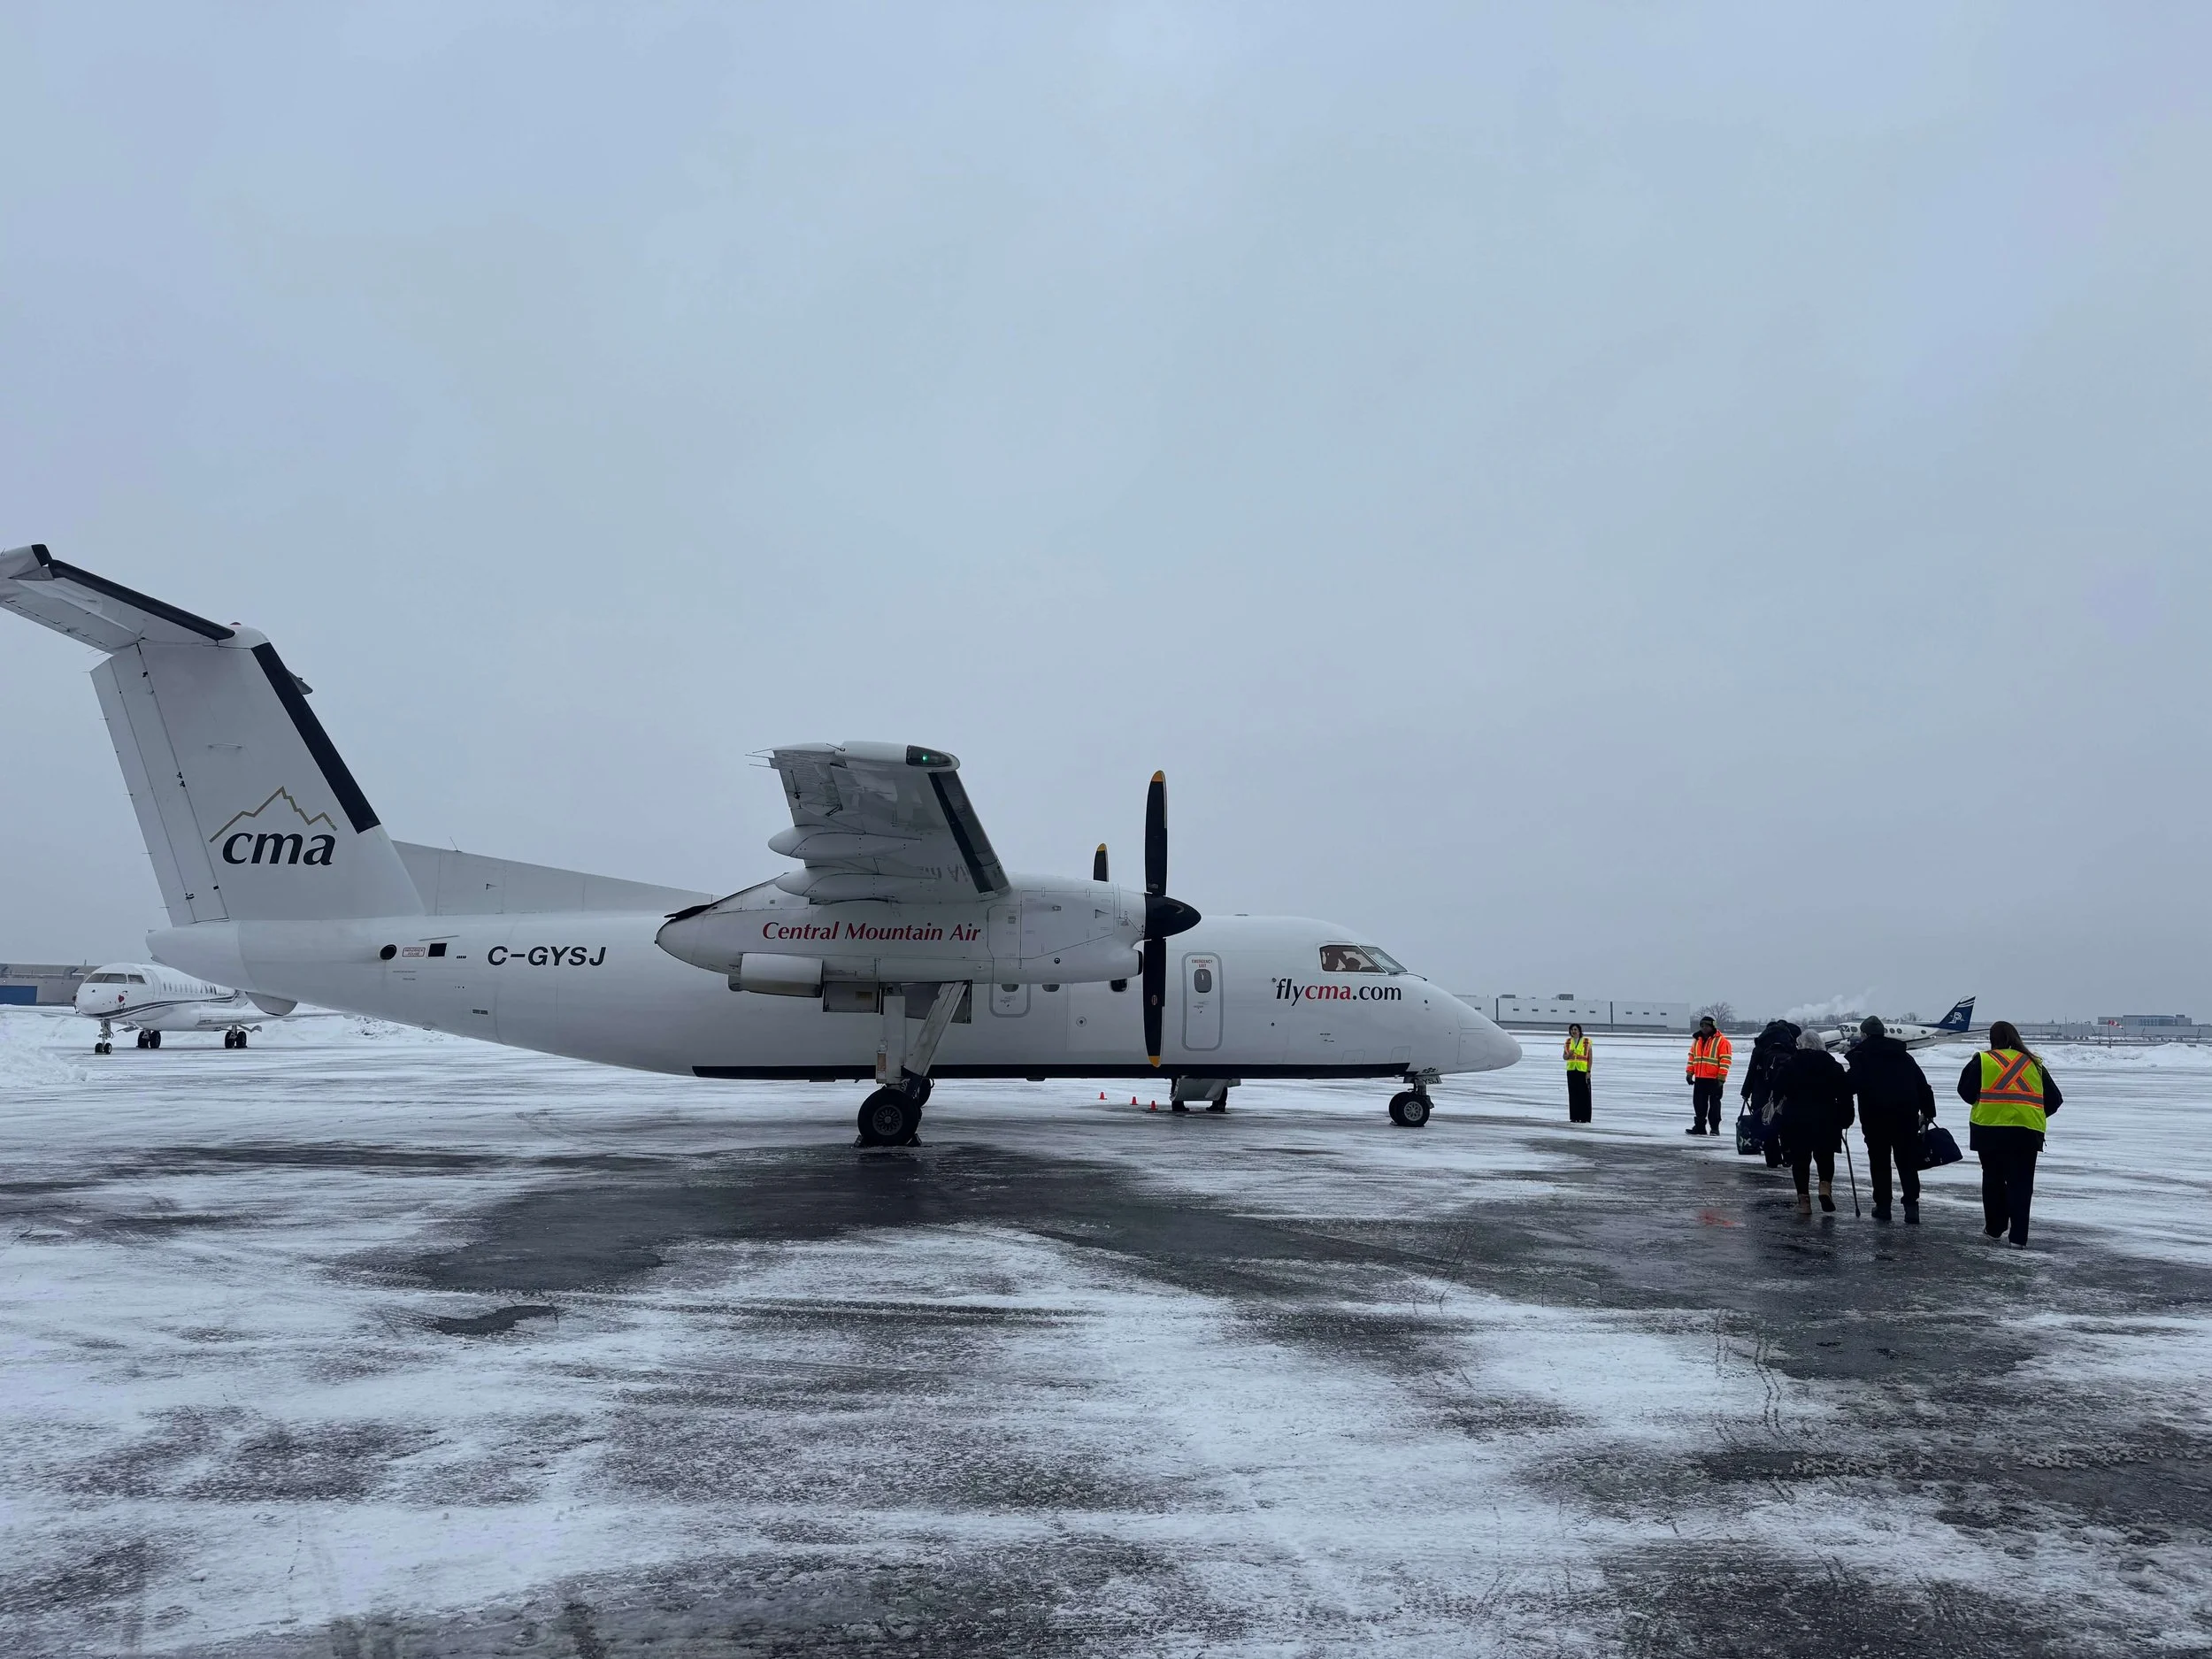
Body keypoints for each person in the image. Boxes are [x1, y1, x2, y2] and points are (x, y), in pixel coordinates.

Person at [1958, 1019, 2062, 1247]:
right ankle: (2018, 1237)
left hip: (1989, 1131)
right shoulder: (2034, 1064)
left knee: (1993, 1179)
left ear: (1992, 1039)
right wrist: (2031, 1113)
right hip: (2026, 1133)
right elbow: (2055, 1099)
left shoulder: (1984, 1061)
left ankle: (1995, 1228)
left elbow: (1965, 1092)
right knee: (2022, 1184)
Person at [1847, 1016, 1938, 1224]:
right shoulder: (1904, 1057)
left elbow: (1850, 1086)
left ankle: (1883, 1206)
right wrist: (1928, 1113)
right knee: (1907, 1162)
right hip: (1905, 1117)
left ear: (1865, 1034)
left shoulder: (1861, 1056)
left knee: (1879, 1162)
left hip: (1874, 1118)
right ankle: (1911, 1208)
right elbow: (1923, 1086)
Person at [1773, 1028, 1854, 1215]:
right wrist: (1846, 1118)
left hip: (1796, 1119)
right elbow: (1845, 1095)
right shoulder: (1833, 1066)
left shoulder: (1790, 1065)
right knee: (1825, 1156)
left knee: (1800, 1160)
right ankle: (1825, 1188)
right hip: (1826, 1118)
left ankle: (1804, 1201)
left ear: (1800, 1045)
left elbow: (1777, 1090)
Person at [1740, 1018, 1801, 1164]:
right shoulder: (1789, 1045)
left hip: (1761, 1091)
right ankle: (1788, 1156)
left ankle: (1773, 1159)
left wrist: (1745, 1091)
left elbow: (1752, 1070)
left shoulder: (1761, 1046)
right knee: (1785, 1124)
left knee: (1766, 1124)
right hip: (1784, 1093)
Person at [1685, 1016, 1733, 1135]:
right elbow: (1692, 1057)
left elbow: (1725, 1060)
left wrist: (1721, 1077)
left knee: (1715, 1105)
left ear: (1712, 1026)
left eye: (1706, 1025)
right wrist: (1690, 1072)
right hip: (1700, 1078)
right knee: (1699, 1104)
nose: (1704, 1028)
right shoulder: (1697, 1040)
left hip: (1714, 1079)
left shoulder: (1722, 1041)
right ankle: (1700, 1127)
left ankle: (1715, 1128)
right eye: (1702, 1026)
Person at [1563, 1024, 1593, 1123]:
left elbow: (1590, 1058)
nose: (1573, 1031)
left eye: (1575, 1029)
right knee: (1573, 1094)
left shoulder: (1586, 1042)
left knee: (1584, 1095)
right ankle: (1574, 1116)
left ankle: (1585, 1117)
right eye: (1572, 1030)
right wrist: (1569, 1054)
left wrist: (1589, 1071)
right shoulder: (1568, 1042)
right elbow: (1564, 1057)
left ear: (1579, 1031)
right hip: (1571, 1071)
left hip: (1582, 1071)